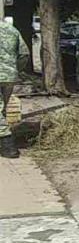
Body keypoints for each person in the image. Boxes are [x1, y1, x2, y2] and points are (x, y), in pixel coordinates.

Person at [0, 19, 30, 158]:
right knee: (1, 109)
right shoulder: (12, 30)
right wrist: (15, 69)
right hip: (9, 77)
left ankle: (8, 145)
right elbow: (24, 54)